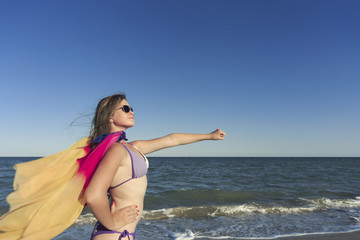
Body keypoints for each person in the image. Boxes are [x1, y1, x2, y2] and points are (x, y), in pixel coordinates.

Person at [0, 93, 225, 240]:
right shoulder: (116, 151)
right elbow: (94, 194)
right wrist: (112, 221)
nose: (132, 111)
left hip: (124, 233)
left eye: (131, 107)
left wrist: (209, 136)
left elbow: (171, 139)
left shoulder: (130, 147)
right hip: (113, 233)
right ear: (110, 117)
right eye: (126, 108)